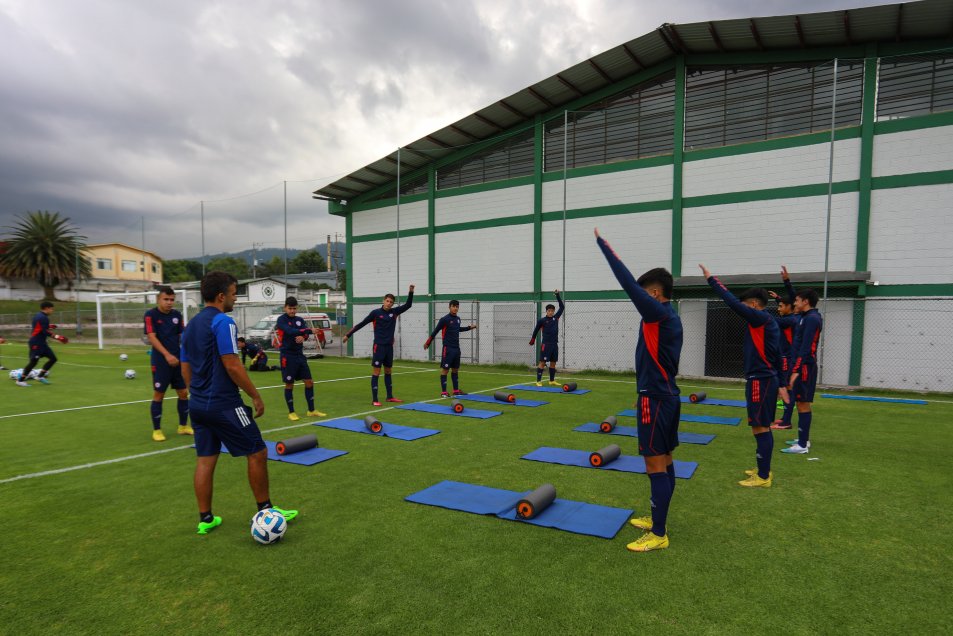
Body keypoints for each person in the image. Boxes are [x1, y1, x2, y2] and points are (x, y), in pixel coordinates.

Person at [180, 271, 297, 536]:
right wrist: (255, 395)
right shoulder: (224, 322)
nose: (235, 298)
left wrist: (196, 393)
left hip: (198, 405)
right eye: (234, 294)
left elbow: (185, 367)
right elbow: (232, 364)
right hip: (224, 404)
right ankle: (266, 511)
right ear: (221, 296)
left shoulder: (191, 325)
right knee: (257, 451)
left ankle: (206, 518)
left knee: (205, 459)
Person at [596, 228, 682, 553]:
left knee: (654, 465)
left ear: (656, 294)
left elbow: (628, 284)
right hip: (664, 395)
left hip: (656, 400)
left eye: (646, 294)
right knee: (666, 460)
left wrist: (604, 246)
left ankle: (658, 533)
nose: (641, 299)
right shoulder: (668, 317)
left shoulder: (658, 314)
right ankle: (658, 521)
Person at [700, 265, 785, 488]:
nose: (744, 309)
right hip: (766, 379)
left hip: (761, 380)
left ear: (754, 305)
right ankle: (763, 469)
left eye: (746, 305)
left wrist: (711, 280)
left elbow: (732, 303)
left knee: (760, 427)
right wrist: (782, 384)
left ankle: (763, 477)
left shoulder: (761, 319)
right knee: (762, 425)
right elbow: (778, 355)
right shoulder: (767, 323)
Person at [343, 285, 415, 406]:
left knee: (388, 371)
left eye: (391, 302)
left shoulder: (394, 312)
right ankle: (375, 399)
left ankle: (389, 397)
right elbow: (361, 324)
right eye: (387, 301)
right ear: (383, 301)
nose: (389, 303)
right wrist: (348, 335)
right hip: (379, 347)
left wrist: (411, 292)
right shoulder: (375, 313)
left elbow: (408, 305)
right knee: (376, 371)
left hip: (389, 348)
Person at [143, 286, 192, 442]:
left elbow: (182, 335)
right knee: (159, 394)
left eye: (172, 300)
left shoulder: (177, 315)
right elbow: (151, 337)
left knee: (183, 392)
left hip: (178, 360)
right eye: (166, 299)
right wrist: (167, 355)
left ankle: (183, 426)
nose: (169, 302)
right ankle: (157, 430)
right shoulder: (150, 315)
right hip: (160, 361)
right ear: (158, 299)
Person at [781, 288, 823, 455]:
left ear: (805, 302)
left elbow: (806, 348)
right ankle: (803, 439)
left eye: (797, 300)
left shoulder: (811, 318)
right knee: (800, 402)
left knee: (802, 403)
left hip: (805, 366)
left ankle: (802, 445)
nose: (794, 303)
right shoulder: (805, 317)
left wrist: (796, 370)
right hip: (801, 364)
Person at [275, 297, 325, 421]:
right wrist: (309, 331)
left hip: (299, 355)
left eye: (294, 308)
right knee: (289, 384)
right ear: (285, 308)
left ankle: (311, 410)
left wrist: (304, 337)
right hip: (287, 356)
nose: (292, 311)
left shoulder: (299, 320)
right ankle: (291, 412)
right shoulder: (281, 320)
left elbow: (305, 334)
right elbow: (290, 331)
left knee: (309, 382)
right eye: (290, 308)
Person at [424, 300, 477, 397]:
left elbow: (458, 329)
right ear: (449, 307)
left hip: (456, 349)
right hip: (448, 349)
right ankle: (444, 392)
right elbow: (435, 331)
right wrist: (428, 342)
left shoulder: (458, 319)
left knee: (455, 370)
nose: (455, 308)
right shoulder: (444, 319)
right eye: (454, 306)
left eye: (457, 306)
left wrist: (469, 327)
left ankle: (456, 390)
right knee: (445, 370)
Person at [768, 265, 799, 430]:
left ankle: (786, 421)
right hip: (784, 357)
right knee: (785, 388)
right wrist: (779, 297)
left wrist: (756, 310)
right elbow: (790, 301)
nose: (778, 308)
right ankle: (784, 418)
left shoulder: (790, 320)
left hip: (787, 358)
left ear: (789, 307)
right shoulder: (791, 316)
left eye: (781, 306)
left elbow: (771, 319)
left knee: (788, 388)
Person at [15, 301, 67, 387]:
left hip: (42, 343)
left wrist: (49, 326)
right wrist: (58, 337)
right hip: (36, 343)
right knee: (33, 362)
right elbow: (44, 331)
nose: (52, 311)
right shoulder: (43, 317)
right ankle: (20, 380)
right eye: (51, 309)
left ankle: (40, 376)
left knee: (53, 359)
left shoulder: (39, 316)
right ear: (47, 308)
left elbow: (39, 327)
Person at [529, 290, 564, 386]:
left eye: (552, 311)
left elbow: (562, 307)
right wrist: (533, 339)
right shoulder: (542, 320)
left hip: (554, 345)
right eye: (549, 311)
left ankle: (551, 380)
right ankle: (538, 381)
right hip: (546, 345)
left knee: (553, 363)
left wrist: (557, 295)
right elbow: (536, 330)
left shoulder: (556, 318)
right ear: (546, 311)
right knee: (542, 362)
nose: (551, 312)